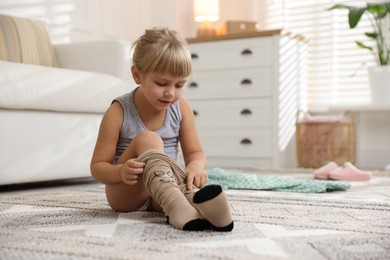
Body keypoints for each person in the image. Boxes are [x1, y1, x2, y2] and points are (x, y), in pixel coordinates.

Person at [90, 27, 233, 232]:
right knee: (149, 138)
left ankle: (201, 209)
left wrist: (195, 166)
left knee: (184, 185)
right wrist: (121, 171)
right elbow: (97, 167)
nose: (170, 93)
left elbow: (195, 153)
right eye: (161, 83)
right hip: (127, 193)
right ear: (137, 75)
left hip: (162, 192)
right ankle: (180, 205)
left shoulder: (181, 108)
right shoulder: (117, 112)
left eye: (179, 85)